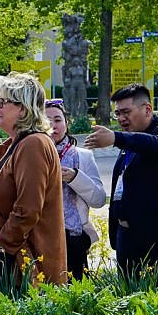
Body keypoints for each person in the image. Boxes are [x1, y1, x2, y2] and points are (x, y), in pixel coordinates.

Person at [85, 83, 158, 282]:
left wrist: (116, 138)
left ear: (147, 109)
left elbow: (156, 146)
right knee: (126, 295)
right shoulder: (129, 141)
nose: (121, 118)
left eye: (126, 112)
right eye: (117, 113)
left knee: (154, 296)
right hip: (127, 236)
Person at [0, 73, 67, 284]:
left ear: (24, 108)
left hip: (25, 266)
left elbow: (28, 209)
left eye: (1, 102)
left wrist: (4, 245)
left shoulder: (33, 144)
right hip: (11, 261)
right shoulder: (17, 143)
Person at [44, 99, 106, 278]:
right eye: (46, 120)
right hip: (41, 236)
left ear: (67, 123)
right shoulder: (32, 154)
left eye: (58, 120)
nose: (52, 126)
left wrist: (75, 177)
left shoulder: (83, 156)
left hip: (73, 237)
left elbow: (99, 199)